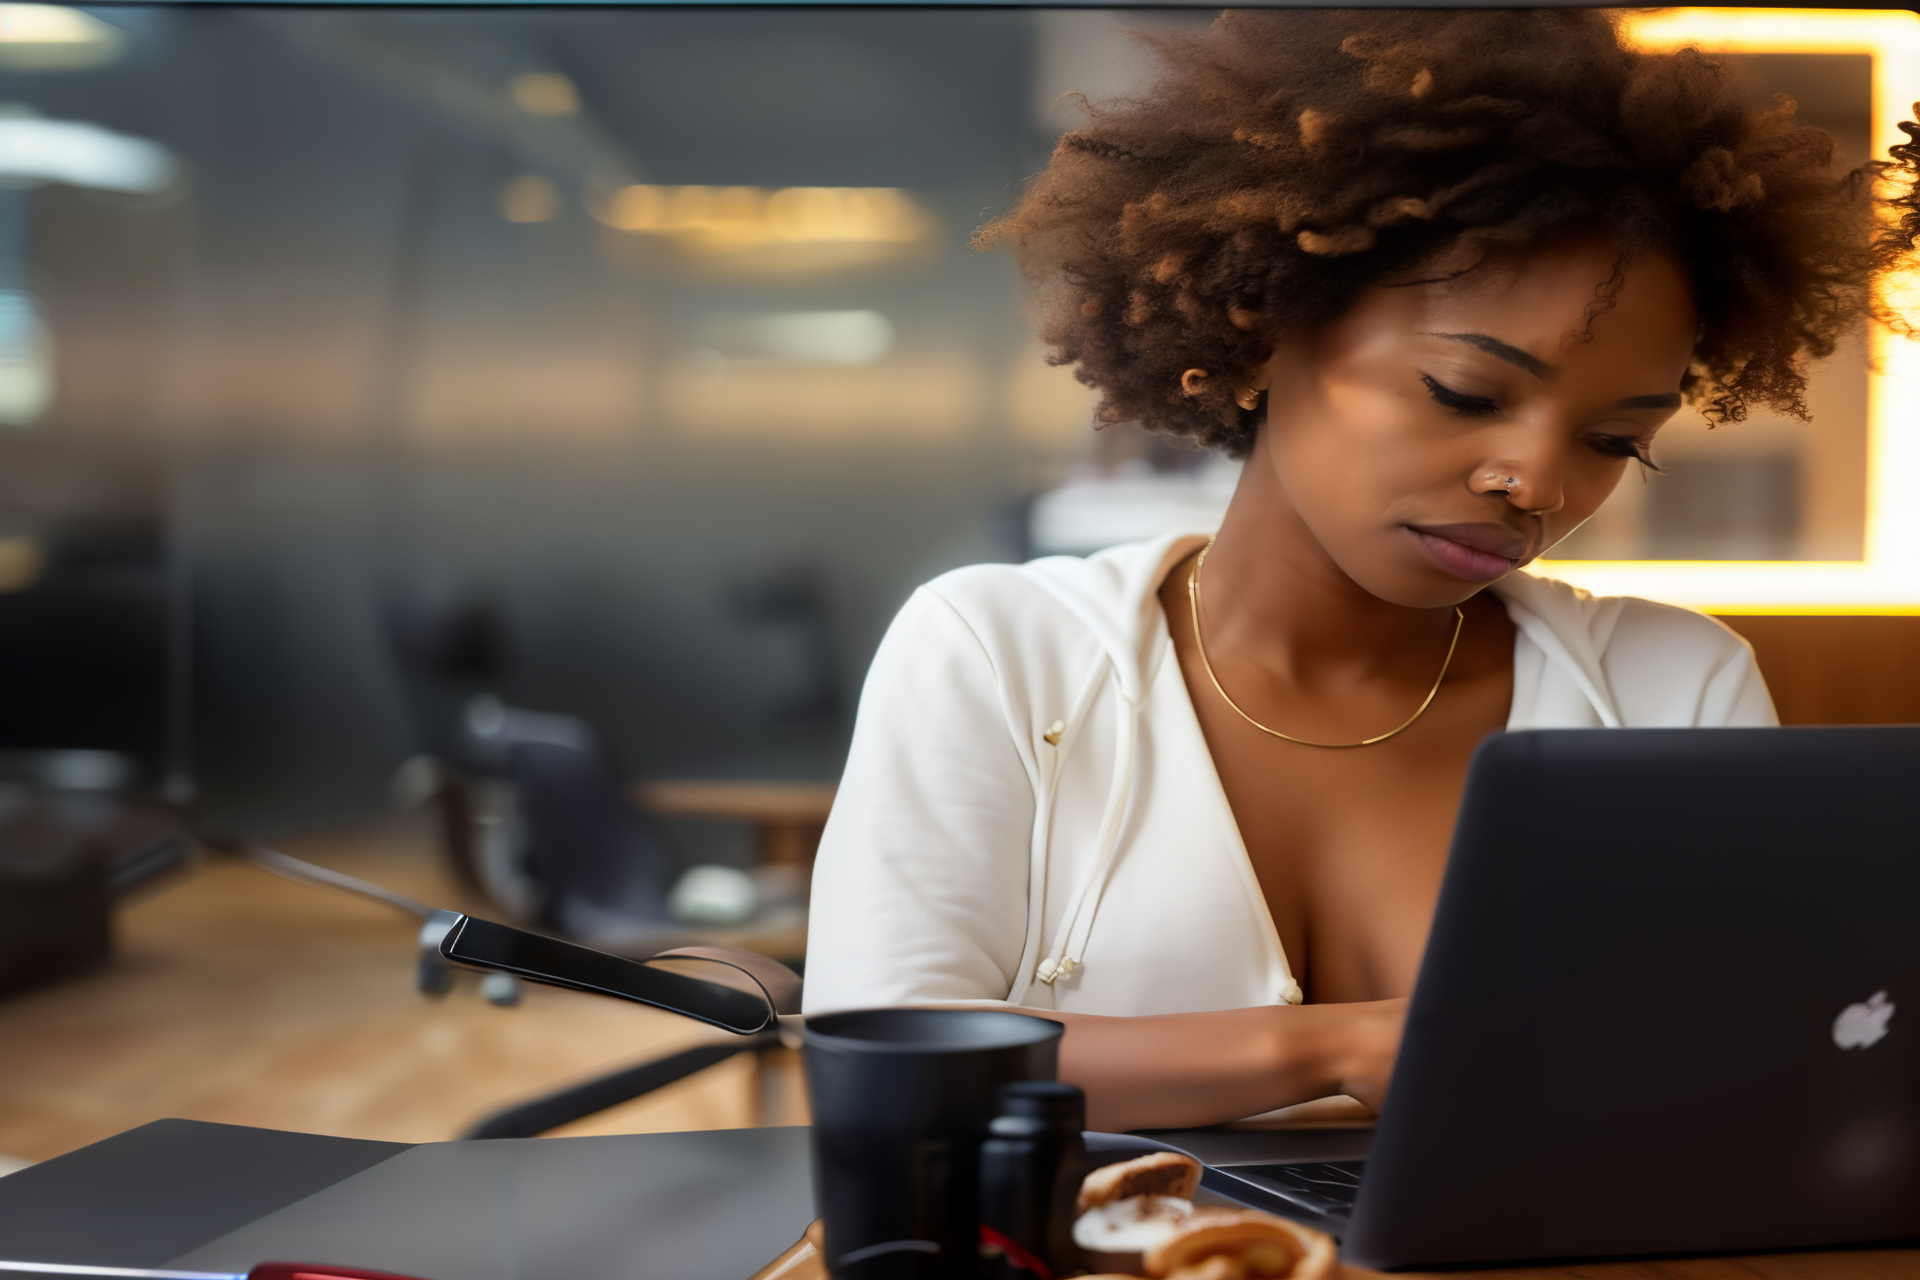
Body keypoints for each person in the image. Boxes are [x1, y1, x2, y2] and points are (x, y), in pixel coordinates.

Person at [803, 9, 1920, 1131]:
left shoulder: (1670, 690)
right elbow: (884, 1062)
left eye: (1613, 439)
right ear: (1268, 329)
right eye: (1466, 394)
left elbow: (1758, 1075)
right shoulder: (1003, 653)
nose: (1535, 481)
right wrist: (1337, 1044)